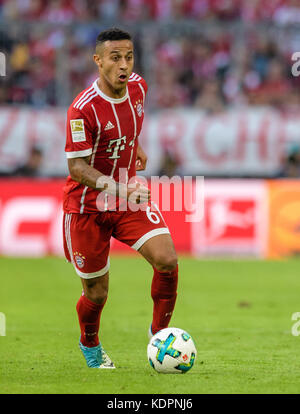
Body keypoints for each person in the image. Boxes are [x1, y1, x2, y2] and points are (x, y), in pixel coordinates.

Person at [63, 27, 178, 369]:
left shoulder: (139, 87)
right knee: (96, 294)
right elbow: (77, 168)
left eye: (128, 57)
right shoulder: (82, 109)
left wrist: (135, 146)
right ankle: (90, 343)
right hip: (87, 206)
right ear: (98, 61)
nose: (123, 65)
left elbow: (130, 122)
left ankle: (159, 336)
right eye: (115, 58)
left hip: (127, 199)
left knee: (168, 261)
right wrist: (118, 188)